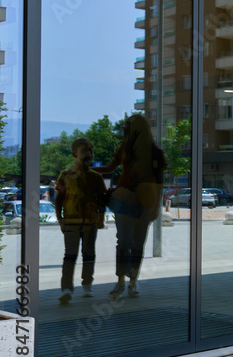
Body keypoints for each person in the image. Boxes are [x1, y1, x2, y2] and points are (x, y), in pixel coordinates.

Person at [93, 114, 165, 299]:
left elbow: (159, 181)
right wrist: (155, 206)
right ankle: (127, 282)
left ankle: (126, 282)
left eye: (128, 126)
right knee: (132, 242)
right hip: (140, 200)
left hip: (134, 199)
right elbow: (110, 168)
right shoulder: (141, 150)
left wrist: (156, 207)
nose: (125, 129)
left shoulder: (149, 152)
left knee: (127, 242)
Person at [54, 138, 108, 304]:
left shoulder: (96, 177)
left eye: (90, 151)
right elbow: (59, 199)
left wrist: (100, 217)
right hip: (71, 221)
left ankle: (87, 285)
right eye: (84, 151)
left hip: (90, 223)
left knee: (89, 253)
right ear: (74, 154)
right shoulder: (65, 175)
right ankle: (67, 289)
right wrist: (60, 219)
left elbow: (102, 199)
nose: (88, 155)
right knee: (70, 255)